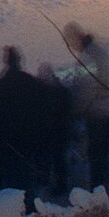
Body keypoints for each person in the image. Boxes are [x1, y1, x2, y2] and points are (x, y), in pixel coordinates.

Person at [64, 25, 109, 197]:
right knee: (103, 155)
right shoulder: (98, 50)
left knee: (97, 156)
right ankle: (104, 192)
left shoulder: (88, 57)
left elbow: (86, 89)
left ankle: (99, 196)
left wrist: (74, 111)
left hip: (99, 113)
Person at [0, 46, 45, 206]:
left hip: (7, 139)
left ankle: (8, 206)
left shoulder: (3, 82)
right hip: (27, 138)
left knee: (10, 174)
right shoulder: (28, 80)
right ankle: (28, 204)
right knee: (25, 174)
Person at [36, 62, 72, 196]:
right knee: (58, 159)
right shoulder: (62, 91)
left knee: (48, 159)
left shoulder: (41, 92)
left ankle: (45, 184)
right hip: (60, 131)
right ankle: (60, 186)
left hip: (50, 131)